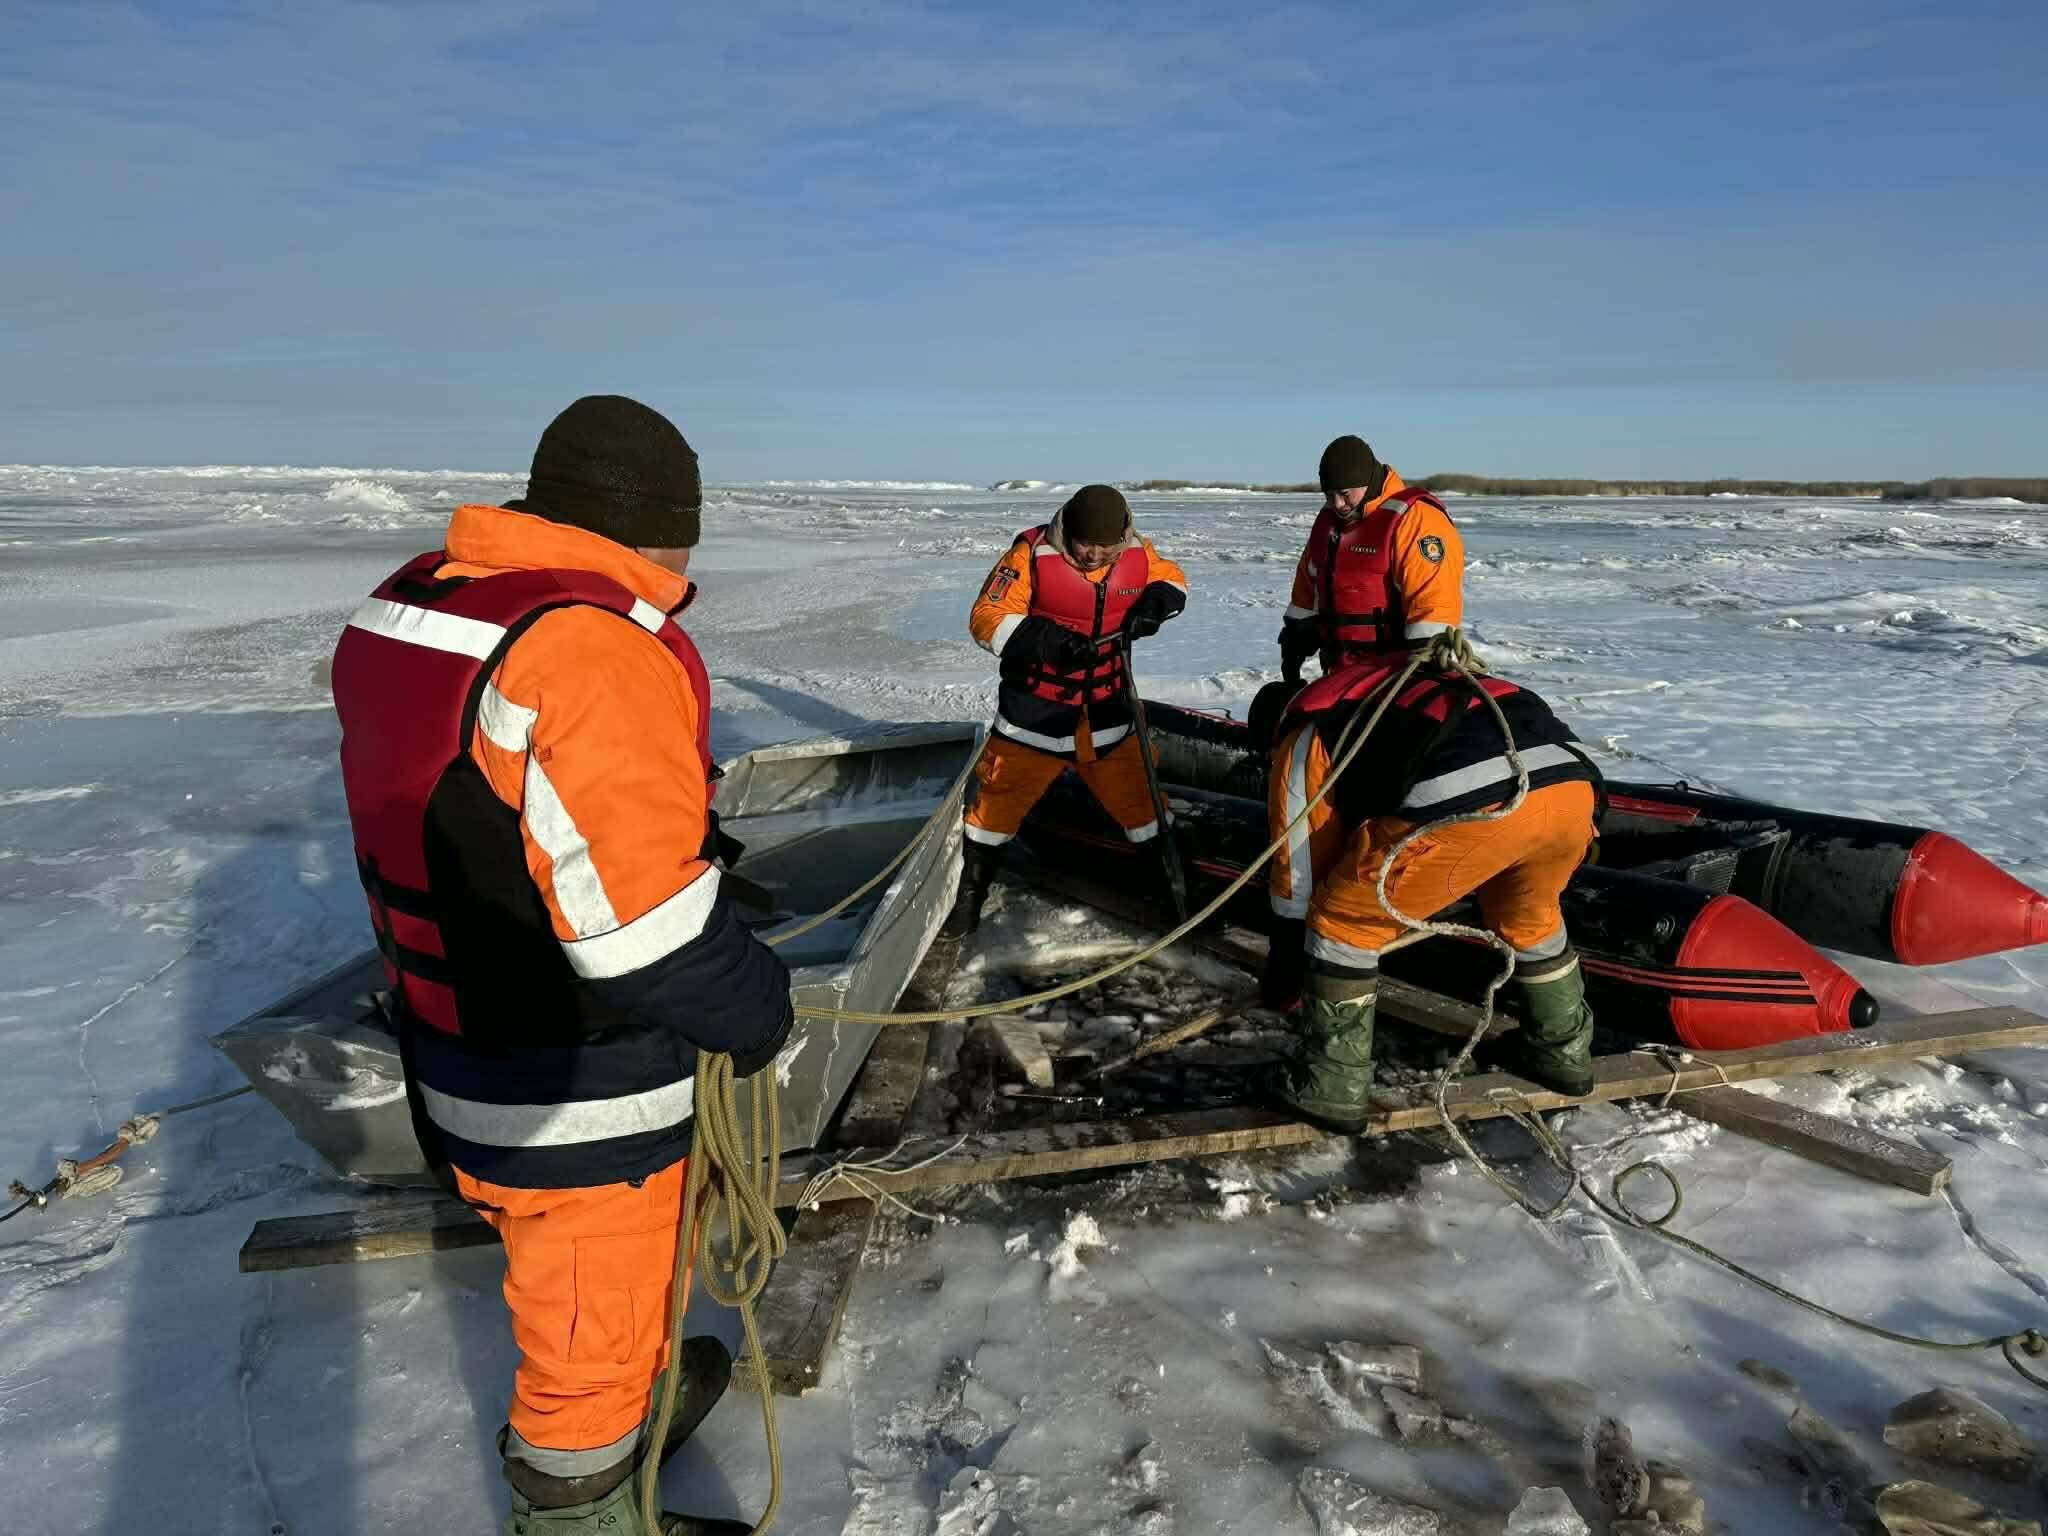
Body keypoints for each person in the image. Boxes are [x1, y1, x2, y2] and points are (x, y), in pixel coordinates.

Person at [330, 396, 790, 1536]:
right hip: (571, 1086)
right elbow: (644, 937)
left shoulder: (426, 601)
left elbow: (497, 809)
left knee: (613, 1295)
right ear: (659, 527)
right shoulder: (587, 649)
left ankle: (636, 1403)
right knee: (586, 1337)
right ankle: (583, 1495)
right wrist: (757, 1008)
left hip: (456, 1030)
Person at [1262, 648, 1601, 1125]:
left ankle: (1331, 1086)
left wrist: (1287, 964)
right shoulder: (1388, 686)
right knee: (1530, 918)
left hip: (1472, 799)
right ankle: (1562, 1054)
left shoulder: (1303, 735)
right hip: (1571, 790)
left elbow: (1297, 863)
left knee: (1343, 921)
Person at [941, 484, 1188, 938]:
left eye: (1105, 547)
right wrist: (1047, 640)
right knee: (993, 813)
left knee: (1145, 808)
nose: (1094, 555)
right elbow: (987, 617)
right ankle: (968, 900)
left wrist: (1158, 603)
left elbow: (1172, 578)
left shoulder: (1138, 551)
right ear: (1067, 531)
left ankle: (1169, 896)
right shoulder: (1029, 555)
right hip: (1032, 721)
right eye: (1084, 544)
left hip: (1109, 717)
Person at [1277, 435, 1465, 681]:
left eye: (1345, 493)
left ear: (1366, 481)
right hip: (1340, 671)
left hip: (1397, 673)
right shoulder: (1329, 522)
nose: (1338, 504)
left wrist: (1425, 664)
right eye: (1329, 495)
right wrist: (1295, 640)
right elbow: (1307, 589)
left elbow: (1434, 603)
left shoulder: (1417, 519)